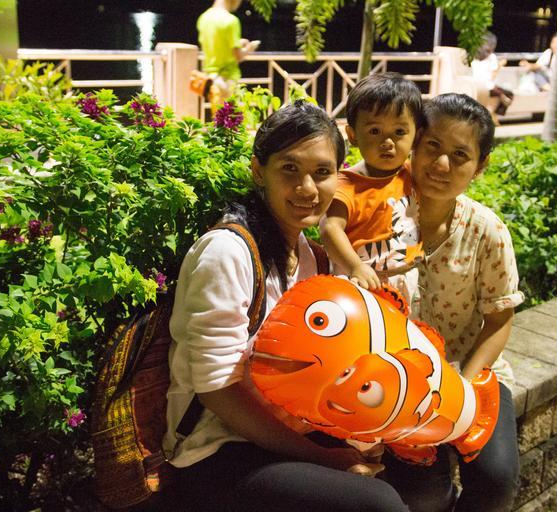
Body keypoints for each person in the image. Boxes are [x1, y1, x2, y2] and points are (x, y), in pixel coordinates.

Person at [163, 101, 408, 512]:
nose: (307, 189)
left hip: (292, 431)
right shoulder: (228, 252)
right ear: (259, 171)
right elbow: (217, 390)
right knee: (378, 505)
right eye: (289, 169)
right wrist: (324, 458)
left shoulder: (311, 257)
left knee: (410, 470)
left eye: (322, 172)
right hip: (217, 449)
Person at [380, 94, 524, 512]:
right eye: (433, 146)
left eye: (460, 155)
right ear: (414, 144)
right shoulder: (379, 218)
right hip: (400, 380)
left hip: (470, 372)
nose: (441, 165)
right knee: (422, 494)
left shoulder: (487, 231)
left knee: (496, 482)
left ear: (480, 166)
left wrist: (462, 386)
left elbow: (499, 320)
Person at [320, 72, 423, 301]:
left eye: (399, 132)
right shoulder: (346, 184)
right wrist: (355, 267)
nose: (387, 142)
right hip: (363, 283)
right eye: (375, 131)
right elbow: (330, 228)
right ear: (353, 135)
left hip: (408, 277)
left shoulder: (412, 174)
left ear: (416, 135)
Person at [197, 0, 260, 111]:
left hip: (211, 79)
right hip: (228, 80)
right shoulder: (231, 21)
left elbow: (213, 45)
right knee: (232, 118)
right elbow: (238, 56)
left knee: (217, 116)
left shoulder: (204, 18)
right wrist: (249, 49)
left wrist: (237, 43)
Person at [471, 32, 514, 125]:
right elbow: (492, 76)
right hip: (488, 87)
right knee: (509, 94)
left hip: (475, 85)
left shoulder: (474, 56)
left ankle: (492, 112)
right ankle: (492, 113)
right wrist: (500, 64)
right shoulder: (492, 57)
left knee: (499, 94)